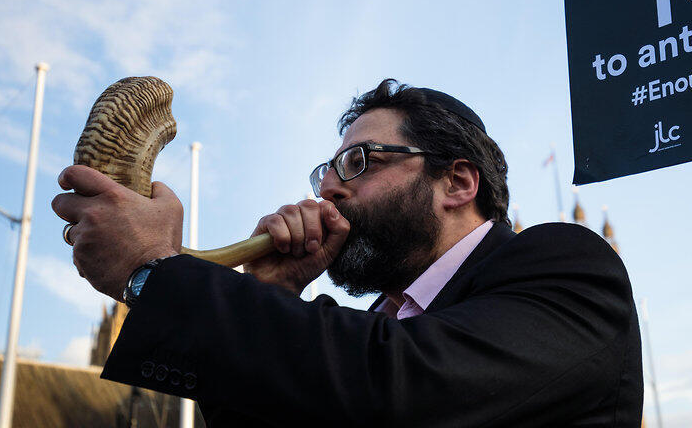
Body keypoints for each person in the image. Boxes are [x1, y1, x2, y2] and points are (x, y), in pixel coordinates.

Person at [52, 79, 643, 427]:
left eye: (360, 162)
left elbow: (402, 388)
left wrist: (155, 271)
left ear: (458, 184)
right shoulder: (372, 332)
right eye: (327, 172)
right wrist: (271, 296)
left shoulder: (565, 265)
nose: (328, 190)